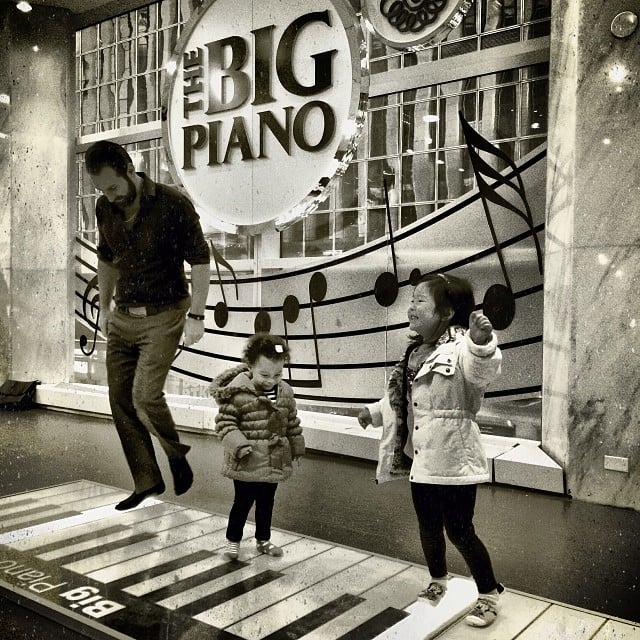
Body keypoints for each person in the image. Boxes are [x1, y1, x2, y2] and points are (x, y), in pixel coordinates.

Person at [358, 272, 504, 628]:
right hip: (420, 460)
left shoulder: (461, 349)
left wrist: (482, 342)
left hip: (454, 460)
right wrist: (375, 413)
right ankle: (438, 581)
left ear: (447, 311)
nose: (411, 308)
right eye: (411, 300)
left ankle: (488, 595)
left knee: (460, 531)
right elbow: (403, 398)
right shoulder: (414, 351)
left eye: (420, 301)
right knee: (427, 528)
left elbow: (481, 371)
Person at [85, 140, 211, 511]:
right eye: (101, 190)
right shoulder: (104, 207)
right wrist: (105, 309)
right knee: (120, 400)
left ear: (128, 168)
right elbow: (106, 259)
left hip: (165, 314)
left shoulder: (172, 203)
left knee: (144, 396)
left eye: (112, 187)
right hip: (123, 315)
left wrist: (198, 316)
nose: (108, 196)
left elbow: (200, 260)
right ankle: (147, 480)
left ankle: (175, 455)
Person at [210, 333, 305, 559]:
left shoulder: (285, 393)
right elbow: (225, 423)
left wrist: (297, 444)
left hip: (272, 461)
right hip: (246, 461)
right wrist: (238, 445)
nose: (271, 380)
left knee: (266, 503)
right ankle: (233, 541)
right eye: (264, 374)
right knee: (242, 503)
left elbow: (291, 420)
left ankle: (263, 539)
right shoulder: (238, 393)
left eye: (278, 374)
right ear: (250, 366)